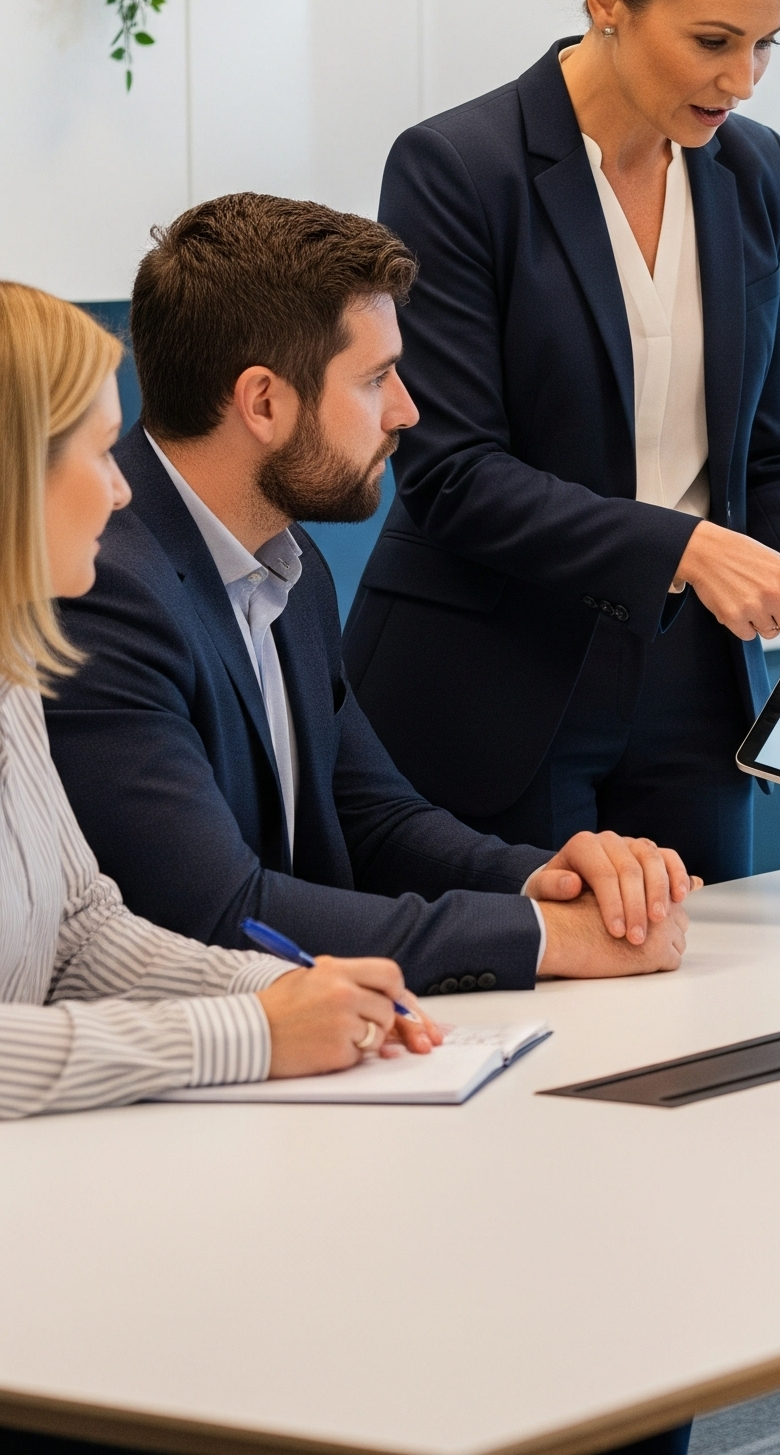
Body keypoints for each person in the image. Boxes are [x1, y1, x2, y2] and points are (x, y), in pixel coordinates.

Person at [342, 0, 780, 871]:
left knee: (708, 992)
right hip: (494, 675)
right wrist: (680, 545)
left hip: (690, 689)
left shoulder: (752, 170)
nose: (742, 80)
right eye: (713, 39)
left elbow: (763, 453)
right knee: (529, 1003)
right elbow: (450, 473)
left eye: (767, 44)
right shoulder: (458, 166)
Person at [47, 197, 690, 997]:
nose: (407, 411)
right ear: (264, 402)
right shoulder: (101, 589)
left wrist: (546, 882)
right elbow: (215, 913)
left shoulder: (288, 559)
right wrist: (542, 938)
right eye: (376, 377)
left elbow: (373, 818)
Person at [0, 281, 439, 1121]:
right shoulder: (112, 605)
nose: (121, 489)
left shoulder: (12, 671)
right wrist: (250, 1032)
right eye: (97, 454)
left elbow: (83, 929)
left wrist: (288, 987)